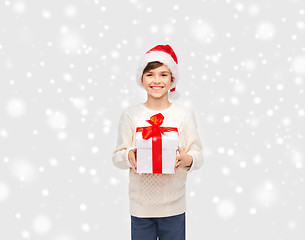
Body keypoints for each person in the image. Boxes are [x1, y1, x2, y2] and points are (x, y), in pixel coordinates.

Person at [112, 44, 204, 240]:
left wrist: (187, 159)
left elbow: (198, 156)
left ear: (173, 79)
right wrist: (129, 156)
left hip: (174, 207)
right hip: (141, 209)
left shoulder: (183, 115)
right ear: (141, 79)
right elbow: (117, 157)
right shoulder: (131, 115)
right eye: (150, 74)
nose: (156, 81)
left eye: (163, 74)